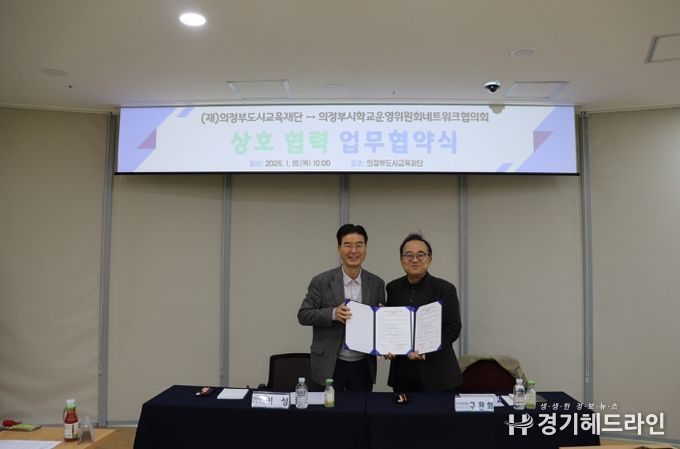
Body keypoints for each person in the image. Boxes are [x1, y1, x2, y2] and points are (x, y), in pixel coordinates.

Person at [297, 224, 385, 391]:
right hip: (330, 362)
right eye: (347, 245)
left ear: (365, 248)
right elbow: (303, 314)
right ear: (339, 249)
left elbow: (380, 320)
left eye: (359, 245)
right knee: (328, 407)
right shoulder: (322, 281)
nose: (354, 251)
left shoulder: (377, 284)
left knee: (360, 406)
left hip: (363, 364)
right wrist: (333, 313)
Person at [385, 232, 462, 392]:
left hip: (439, 375)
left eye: (420, 255)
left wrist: (427, 347)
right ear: (401, 260)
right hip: (403, 374)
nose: (414, 260)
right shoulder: (393, 288)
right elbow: (390, 325)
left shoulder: (445, 289)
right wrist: (386, 345)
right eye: (409, 255)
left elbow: (453, 328)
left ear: (429, 259)